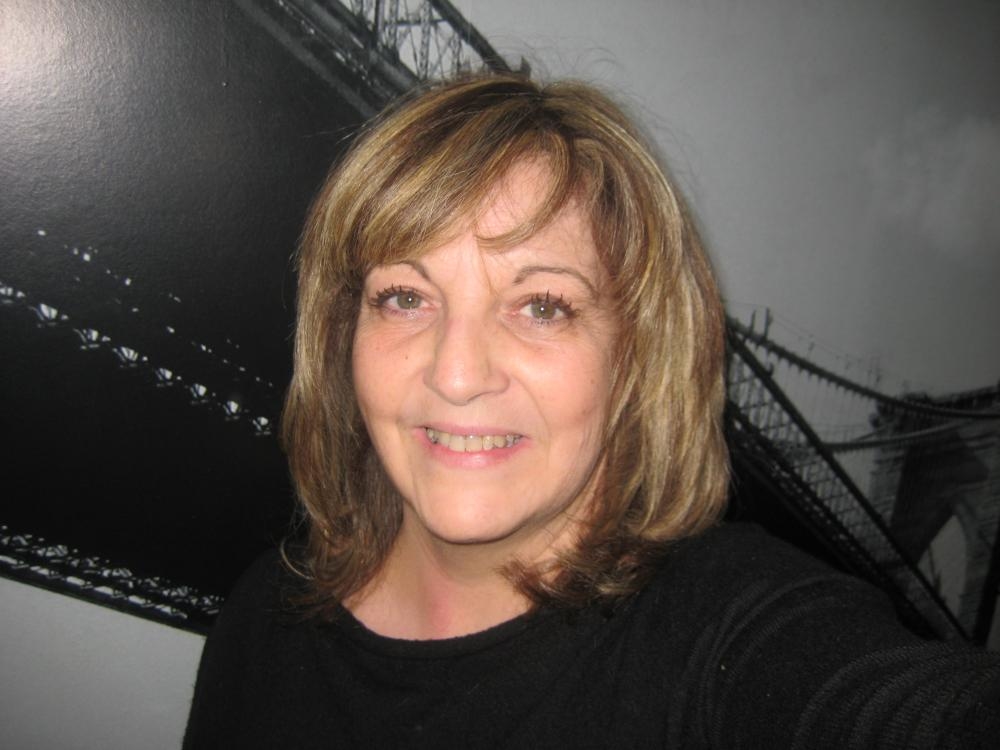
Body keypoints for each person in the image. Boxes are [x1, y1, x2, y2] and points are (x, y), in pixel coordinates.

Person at [184, 74, 1000, 748]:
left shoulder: (731, 628)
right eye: (404, 297)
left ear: (636, 356)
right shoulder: (263, 620)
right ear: (344, 335)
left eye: (542, 306)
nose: (457, 374)